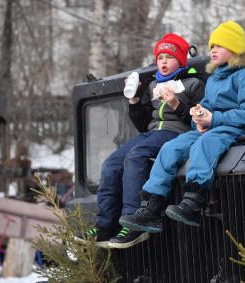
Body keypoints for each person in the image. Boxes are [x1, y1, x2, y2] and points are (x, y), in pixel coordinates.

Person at [120, 20, 245, 233]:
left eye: (219, 46)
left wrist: (212, 119)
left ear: (234, 49)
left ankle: (194, 201)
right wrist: (199, 115)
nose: (212, 50)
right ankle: (152, 207)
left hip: (236, 128)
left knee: (205, 144)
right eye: (212, 45)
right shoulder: (215, 77)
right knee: (171, 148)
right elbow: (205, 105)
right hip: (211, 126)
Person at [74, 33, 205, 248]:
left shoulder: (194, 83)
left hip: (177, 133)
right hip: (152, 133)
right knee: (111, 163)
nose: (163, 61)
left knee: (137, 156)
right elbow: (144, 123)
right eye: (160, 57)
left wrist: (175, 104)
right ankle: (105, 225)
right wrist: (134, 100)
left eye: (169, 57)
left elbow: (200, 119)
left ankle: (133, 222)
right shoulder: (153, 85)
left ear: (181, 59)